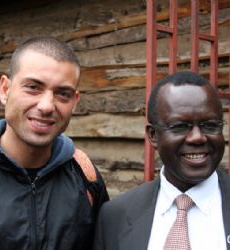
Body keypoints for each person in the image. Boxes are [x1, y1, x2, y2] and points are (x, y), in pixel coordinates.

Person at [0, 36, 109, 250]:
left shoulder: (85, 176)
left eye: (62, 94)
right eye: (33, 87)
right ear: (4, 90)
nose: (47, 106)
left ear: (75, 102)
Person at [92, 71, 230, 250]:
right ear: (153, 135)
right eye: (180, 126)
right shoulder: (115, 216)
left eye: (210, 125)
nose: (198, 138)